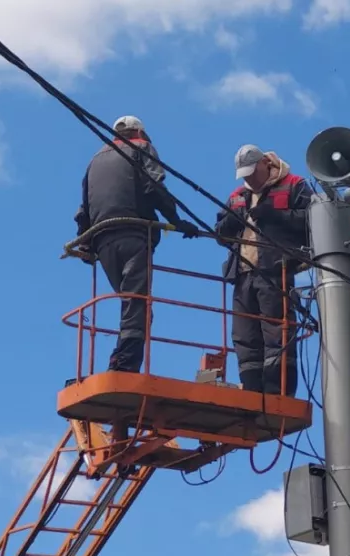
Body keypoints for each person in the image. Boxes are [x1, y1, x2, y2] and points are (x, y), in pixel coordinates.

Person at [74, 115, 198, 373]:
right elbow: (154, 187)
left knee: (129, 303)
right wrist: (177, 220)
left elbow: (84, 208)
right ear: (138, 131)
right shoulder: (141, 148)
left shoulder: (94, 161)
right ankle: (124, 365)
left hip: (102, 242)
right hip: (133, 234)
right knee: (137, 305)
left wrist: (85, 243)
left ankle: (120, 358)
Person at [215, 144, 311, 396]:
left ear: (265, 163)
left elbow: (314, 221)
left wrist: (276, 216)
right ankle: (252, 391)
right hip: (242, 274)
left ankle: (277, 392)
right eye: (243, 174)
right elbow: (220, 234)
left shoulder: (294, 184)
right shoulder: (237, 195)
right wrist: (230, 223)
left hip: (275, 271)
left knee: (277, 331)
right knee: (244, 336)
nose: (248, 178)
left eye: (250, 172)